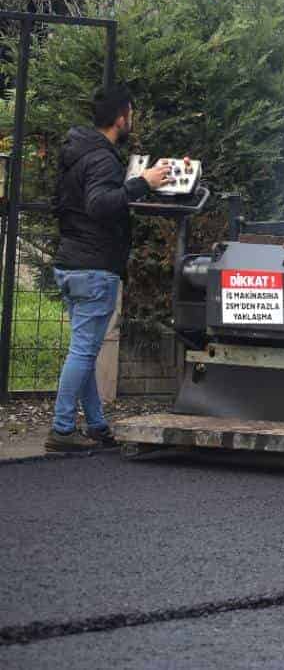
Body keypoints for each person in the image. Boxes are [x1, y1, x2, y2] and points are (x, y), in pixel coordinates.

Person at [46, 83, 169, 452]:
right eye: (131, 114)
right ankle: (61, 430)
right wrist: (143, 183)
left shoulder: (77, 153)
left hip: (71, 262)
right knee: (84, 351)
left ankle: (97, 425)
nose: (132, 119)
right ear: (120, 118)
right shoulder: (102, 159)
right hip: (94, 267)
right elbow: (100, 204)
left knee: (84, 350)